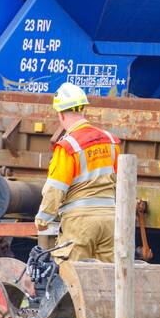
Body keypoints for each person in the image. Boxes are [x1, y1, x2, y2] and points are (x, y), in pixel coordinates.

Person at [35, 83, 120, 262]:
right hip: (110, 220)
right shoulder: (110, 141)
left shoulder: (68, 146)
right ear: (83, 110)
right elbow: (119, 180)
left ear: (61, 114)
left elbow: (56, 188)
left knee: (72, 278)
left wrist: (42, 220)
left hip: (80, 222)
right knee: (108, 280)